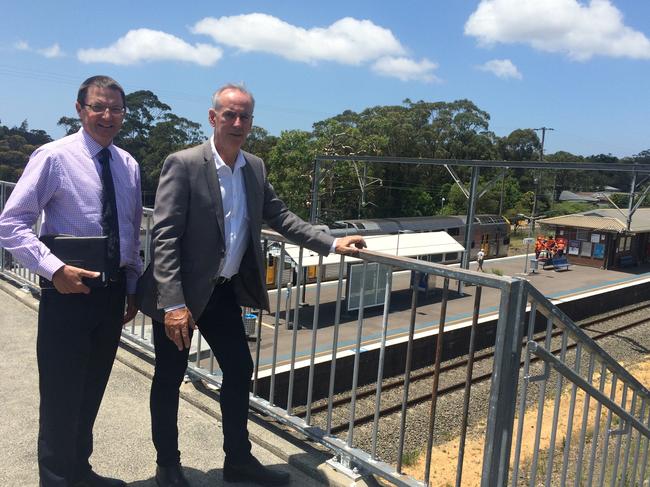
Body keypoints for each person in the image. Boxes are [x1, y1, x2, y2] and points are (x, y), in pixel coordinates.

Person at [136, 83, 365, 487]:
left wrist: (331, 242)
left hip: (222, 291)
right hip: (180, 296)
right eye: (230, 115)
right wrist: (173, 304)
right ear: (213, 118)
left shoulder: (254, 167)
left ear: (252, 123)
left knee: (240, 370)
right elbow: (165, 236)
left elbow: (281, 216)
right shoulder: (184, 163)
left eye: (245, 117)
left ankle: (238, 461)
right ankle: (168, 465)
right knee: (170, 377)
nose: (237, 123)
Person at [0, 76, 142, 487]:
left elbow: (130, 232)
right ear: (80, 109)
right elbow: (11, 223)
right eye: (98, 106)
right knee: (61, 393)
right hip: (67, 294)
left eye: (115, 108)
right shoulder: (54, 157)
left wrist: (131, 286)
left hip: (111, 293)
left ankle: (80, 470)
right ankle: (57, 479)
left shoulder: (128, 164)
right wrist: (53, 269)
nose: (107, 115)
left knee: (91, 389)